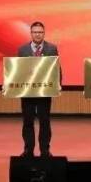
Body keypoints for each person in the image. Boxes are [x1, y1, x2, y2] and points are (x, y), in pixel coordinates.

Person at [17, 21, 59, 158]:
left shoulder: (51, 49)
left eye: (40, 32)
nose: (37, 34)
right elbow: (17, 71)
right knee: (27, 122)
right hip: (27, 92)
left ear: (44, 33)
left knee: (44, 122)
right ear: (31, 33)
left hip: (44, 92)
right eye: (35, 32)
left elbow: (56, 68)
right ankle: (28, 150)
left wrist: (57, 85)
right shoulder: (22, 50)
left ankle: (45, 150)